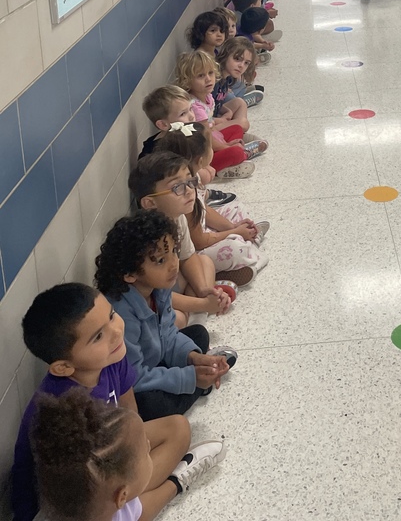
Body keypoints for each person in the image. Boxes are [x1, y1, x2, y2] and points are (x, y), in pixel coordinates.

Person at [11, 284, 220, 521]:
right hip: (78, 494)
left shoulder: (113, 357)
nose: (117, 332)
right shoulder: (56, 406)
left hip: (111, 463)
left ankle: (132, 498)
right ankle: (175, 483)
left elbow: (131, 414)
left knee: (179, 428)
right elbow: (29, 480)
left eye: (111, 315)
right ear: (64, 367)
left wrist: (138, 451)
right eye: (98, 336)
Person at [95, 211, 236, 420]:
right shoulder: (121, 314)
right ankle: (199, 386)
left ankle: (198, 378)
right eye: (160, 260)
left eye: (174, 252)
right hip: (134, 385)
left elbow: (168, 335)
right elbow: (134, 378)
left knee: (198, 334)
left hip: (154, 362)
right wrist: (190, 377)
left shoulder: (157, 288)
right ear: (130, 274)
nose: (173, 264)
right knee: (151, 406)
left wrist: (193, 357)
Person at [30, 388, 226, 521]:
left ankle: (177, 482)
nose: (149, 445)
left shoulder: (100, 506)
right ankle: (177, 482)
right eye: (146, 453)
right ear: (122, 496)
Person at [158, 123, 269, 281]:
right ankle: (229, 267)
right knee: (235, 248)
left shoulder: (192, 178)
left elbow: (203, 209)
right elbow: (199, 241)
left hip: (203, 230)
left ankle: (247, 239)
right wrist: (235, 233)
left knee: (236, 206)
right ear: (201, 159)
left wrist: (232, 226)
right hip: (194, 252)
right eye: (211, 146)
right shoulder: (183, 196)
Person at [140, 85, 243, 200]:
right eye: (183, 114)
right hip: (169, 195)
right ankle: (202, 195)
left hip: (187, 172)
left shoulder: (183, 133)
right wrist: (203, 168)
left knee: (237, 128)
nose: (191, 116)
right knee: (205, 175)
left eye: (191, 109)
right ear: (163, 125)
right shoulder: (169, 146)